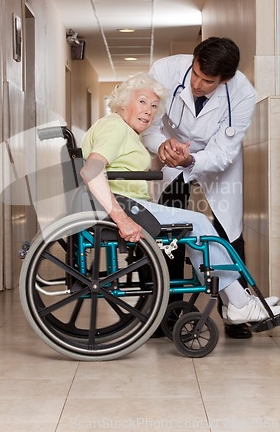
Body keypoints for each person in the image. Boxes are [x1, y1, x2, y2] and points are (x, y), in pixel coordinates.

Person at [80, 73, 280, 326]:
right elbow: (91, 171)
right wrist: (121, 219)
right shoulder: (114, 127)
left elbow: (129, 170)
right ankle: (239, 303)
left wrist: (163, 157)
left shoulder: (126, 132)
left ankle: (237, 300)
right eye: (142, 102)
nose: (149, 111)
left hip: (131, 204)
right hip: (126, 207)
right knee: (200, 225)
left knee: (198, 225)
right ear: (122, 103)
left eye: (154, 106)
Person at [142, 37, 259, 338]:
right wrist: (163, 146)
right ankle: (166, 312)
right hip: (170, 151)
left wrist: (192, 158)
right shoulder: (165, 70)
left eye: (207, 81)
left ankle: (235, 315)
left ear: (226, 79)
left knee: (226, 231)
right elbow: (149, 125)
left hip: (217, 160)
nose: (197, 84)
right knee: (169, 231)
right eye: (195, 73)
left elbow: (222, 152)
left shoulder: (243, 93)